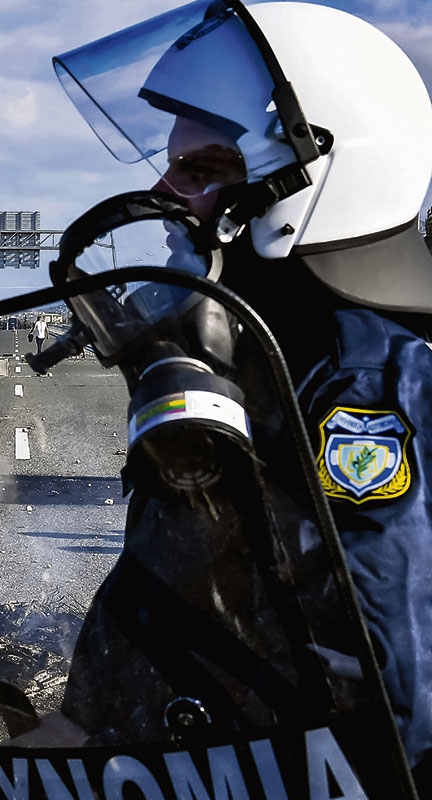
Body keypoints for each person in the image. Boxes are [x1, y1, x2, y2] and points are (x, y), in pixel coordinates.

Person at [51, 0, 432, 788]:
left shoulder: (365, 383)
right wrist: (74, 727)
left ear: (299, 191)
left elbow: (387, 694)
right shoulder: (254, 357)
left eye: (200, 170)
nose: (164, 194)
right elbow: (169, 570)